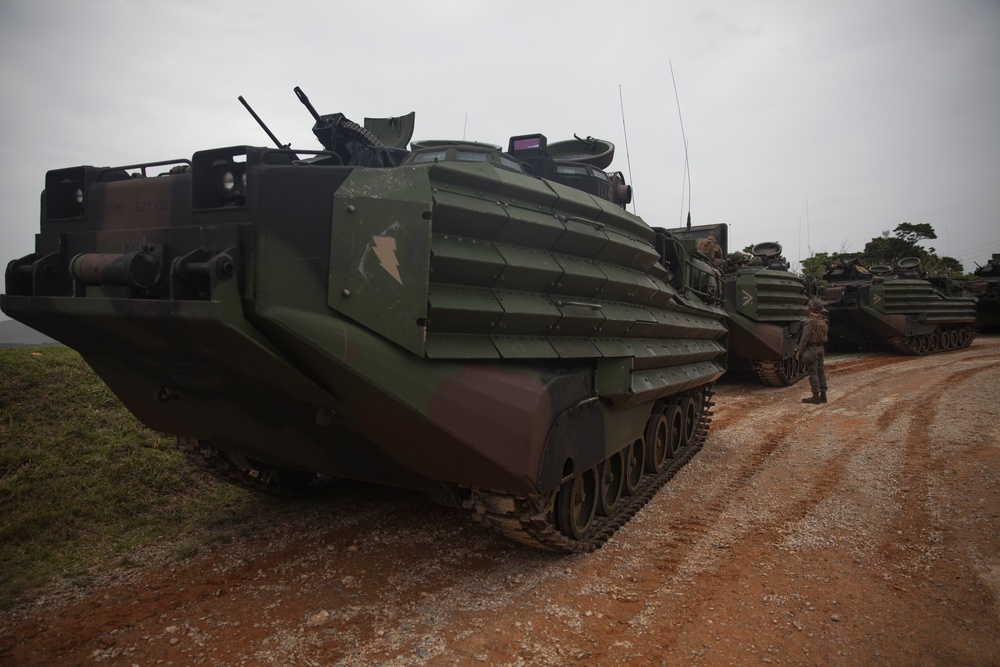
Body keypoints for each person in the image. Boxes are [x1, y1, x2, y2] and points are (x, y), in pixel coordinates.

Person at [797, 298, 829, 404]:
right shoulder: (822, 320)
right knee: (821, 371)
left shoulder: (809, 322)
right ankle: (823, 395)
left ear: (810, 308)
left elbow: (804, 338)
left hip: (812, 349)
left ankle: (815, 396)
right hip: (821, 348)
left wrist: (799, 352)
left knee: (813, 372)